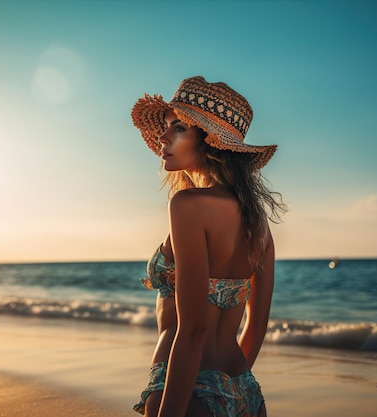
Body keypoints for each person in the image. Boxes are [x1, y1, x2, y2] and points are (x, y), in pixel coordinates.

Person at [131, 76, 286, 417]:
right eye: (168, 126)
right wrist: (229, 391)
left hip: (185, 388)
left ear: (211, 142)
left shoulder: (187, 205)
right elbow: (256, 326)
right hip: (244, 387)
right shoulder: (259, 225)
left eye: (179, 128)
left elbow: (193, 328)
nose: (163, 135)